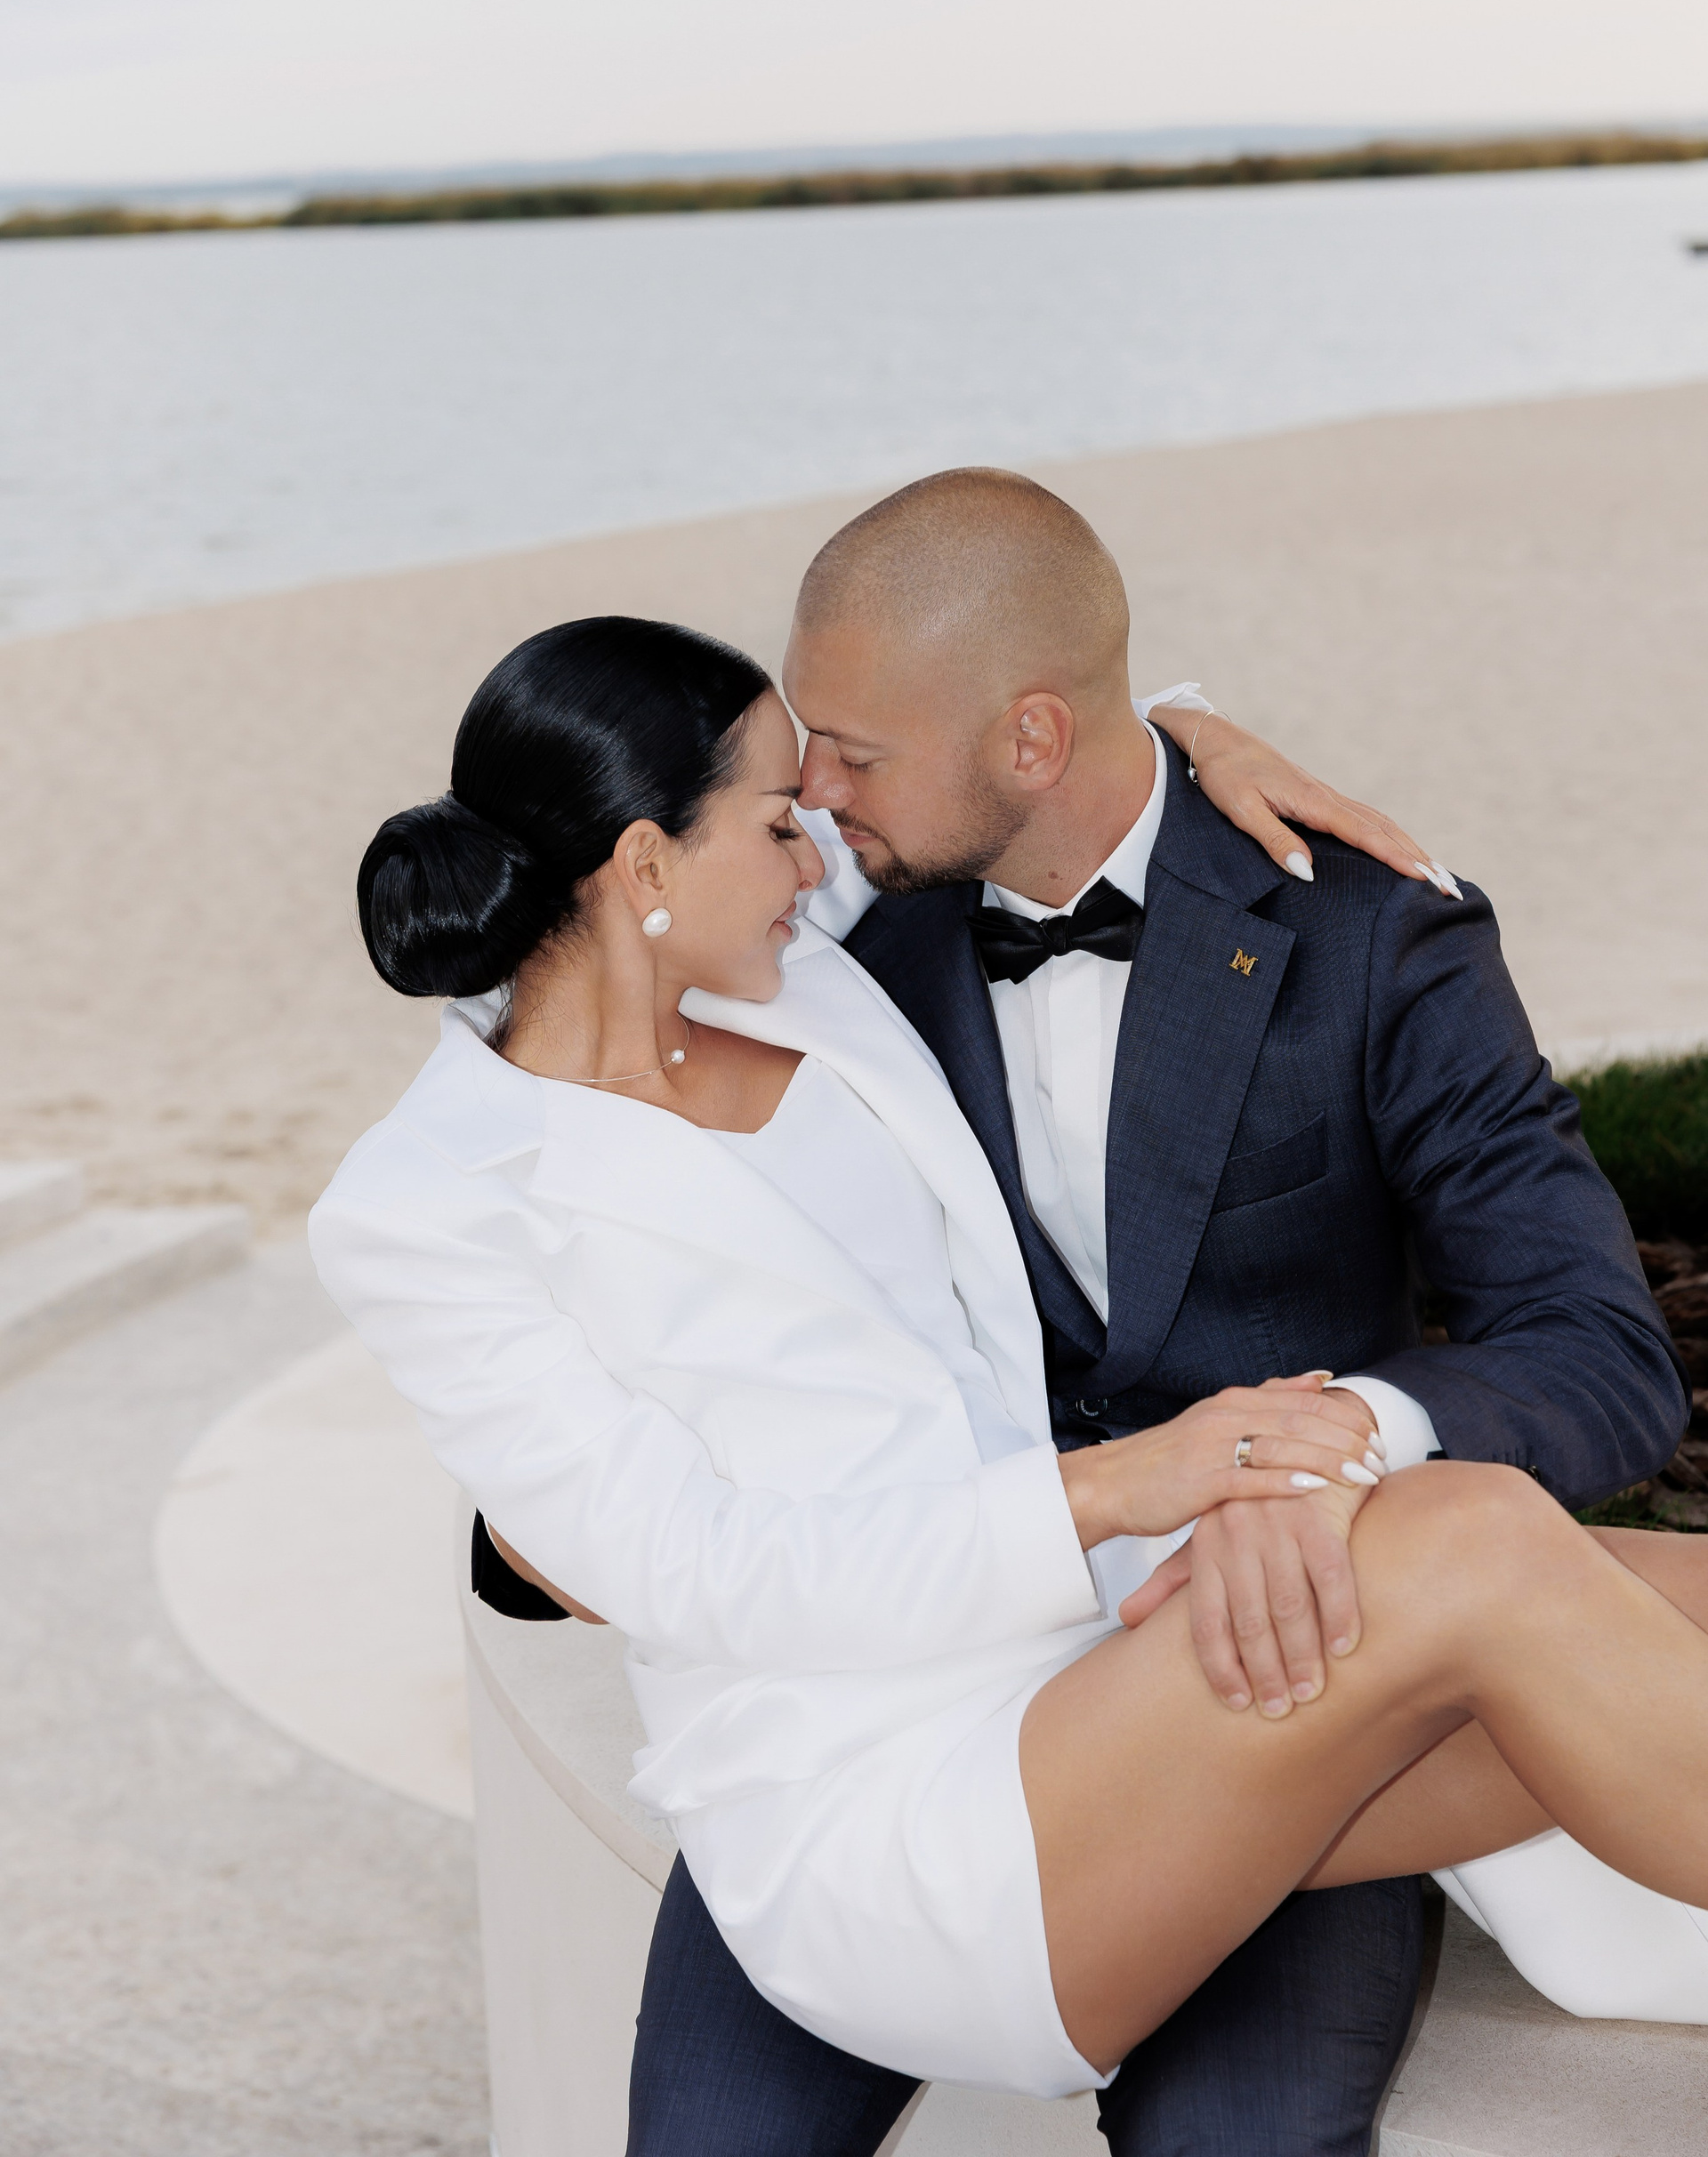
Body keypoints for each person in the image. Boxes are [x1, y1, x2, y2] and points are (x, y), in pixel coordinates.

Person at [310, 488, 1696, 2156]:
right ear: (648, 864)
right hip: (881, 1771)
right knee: (1470, 1541)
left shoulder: (804, 972)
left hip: (1127, 1629)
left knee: (1631, 1586)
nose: (823, 824)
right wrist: (1142, 1480)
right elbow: (686, 1553)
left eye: (837, 772)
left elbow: (1019, 737)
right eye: (788, 800)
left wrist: (1176, 729)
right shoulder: (465, 1178)